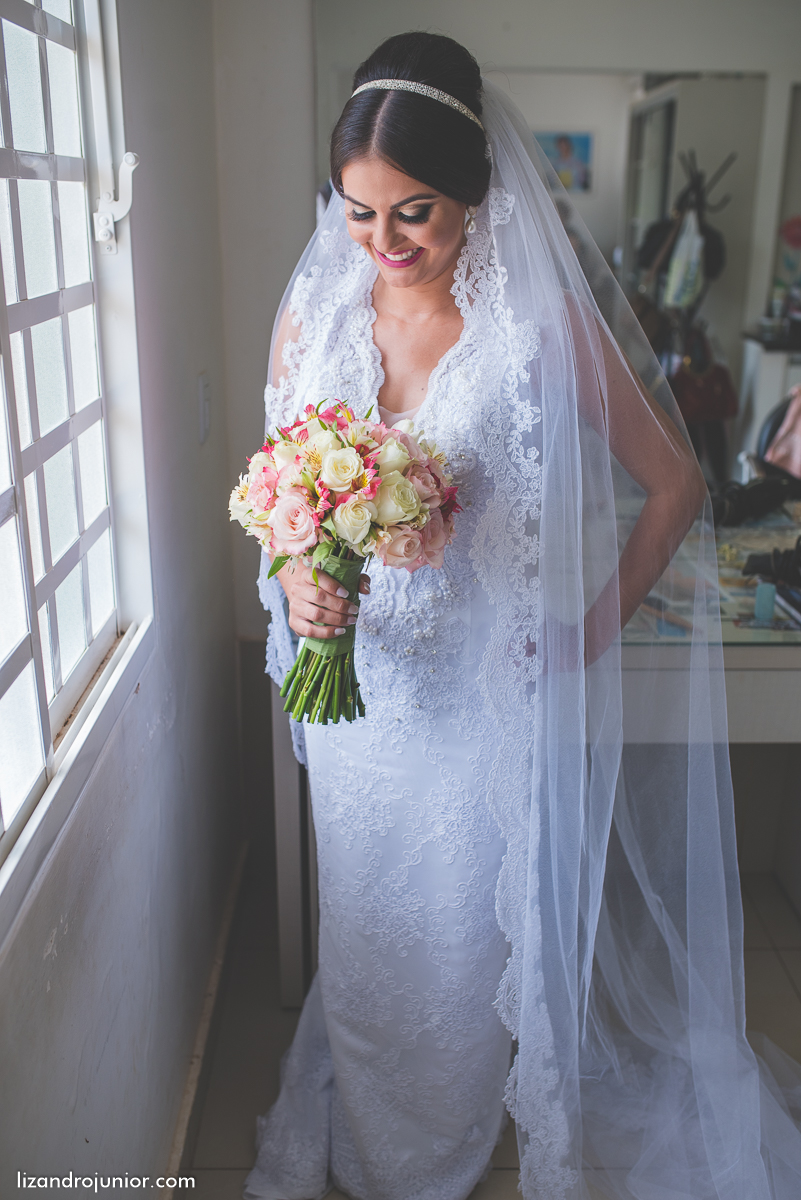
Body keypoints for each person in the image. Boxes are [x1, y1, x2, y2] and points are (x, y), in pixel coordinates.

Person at [244, 32, 801, 1200]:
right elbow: (283, 501)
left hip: (475, 719)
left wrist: (593, 626)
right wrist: (298, 585)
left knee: (458, 955)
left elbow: (679, 484)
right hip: (360, 712)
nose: (384, 246)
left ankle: (438, 1164)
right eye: (357, 212)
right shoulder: (314, 322)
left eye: (416, 214)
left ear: (476, 196)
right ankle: (365, 1145)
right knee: (362, 938)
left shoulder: (533, 331)